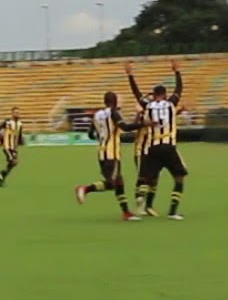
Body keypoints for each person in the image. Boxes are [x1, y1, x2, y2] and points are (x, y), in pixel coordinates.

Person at [127, 60, 187, 220]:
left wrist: (130, 75)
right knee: (179, 178)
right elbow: (179, 89)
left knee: (147, 178)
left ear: (154, 95)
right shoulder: (170, 104)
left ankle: (140, 201)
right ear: (165, 94)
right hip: (168, 146)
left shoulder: (148, 105)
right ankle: (173, 212)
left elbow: (137, 93)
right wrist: (177, 71)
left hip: (152, 147)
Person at [76, 92, 144, 220]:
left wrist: (103, 136)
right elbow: (126, 127)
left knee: (119, 182)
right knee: (112, 183)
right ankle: (85, 189)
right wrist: (145, 123)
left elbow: (90, 134)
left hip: (101, 152)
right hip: (111, 153)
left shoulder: (97, 114)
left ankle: (126, 213)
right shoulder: (113, 112)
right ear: (115, 101)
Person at [0, 107, 24, 188]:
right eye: (15, 113)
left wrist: (20, 143)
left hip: (14, 147)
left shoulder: (20, 124)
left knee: (13, 163)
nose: (17, 114)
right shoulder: (8, 122)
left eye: (18, 113)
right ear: (12, 114)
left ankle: (0, 180)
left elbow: (19, 136)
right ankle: (0, 178)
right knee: (13, 161)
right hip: (7, 146)